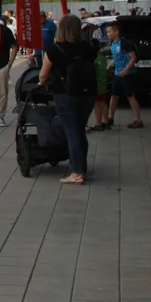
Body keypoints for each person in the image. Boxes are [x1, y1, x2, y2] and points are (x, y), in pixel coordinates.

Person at [39, 15, 97, 184]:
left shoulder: (55, 49)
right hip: (88, 94)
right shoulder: (87, 47)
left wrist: (43, 84)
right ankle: (81, 166)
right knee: (79, 129)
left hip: (65, 94)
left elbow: (43, 74)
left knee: (72, 132)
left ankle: (78, 172)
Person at [106, 21, 143, 128]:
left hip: (127, 74)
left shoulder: (124, 43)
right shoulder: (113, 43)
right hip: (118, 73)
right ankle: (110, 117)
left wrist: (125, 70)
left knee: (130, 96)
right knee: (114, 96)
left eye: (109, 31)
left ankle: (138, 120)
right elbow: (117, 57)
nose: (108, 34)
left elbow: (133, 58)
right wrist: (110, 66)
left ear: (116, 31)